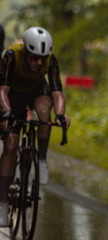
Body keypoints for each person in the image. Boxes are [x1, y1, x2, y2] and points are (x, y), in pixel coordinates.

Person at [0, 26, 70, 226]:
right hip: (12, 96)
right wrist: (5, 112)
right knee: (11, 146)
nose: (39, 62)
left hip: (37, 92)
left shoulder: (50, 60)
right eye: (34, 58)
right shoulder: (12, 55)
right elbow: (2, 89)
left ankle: (41, 159)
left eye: (43, 58)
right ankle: (2, 203)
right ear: (26, 53)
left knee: (44, 113)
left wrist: (60, 115)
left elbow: (57, 93)